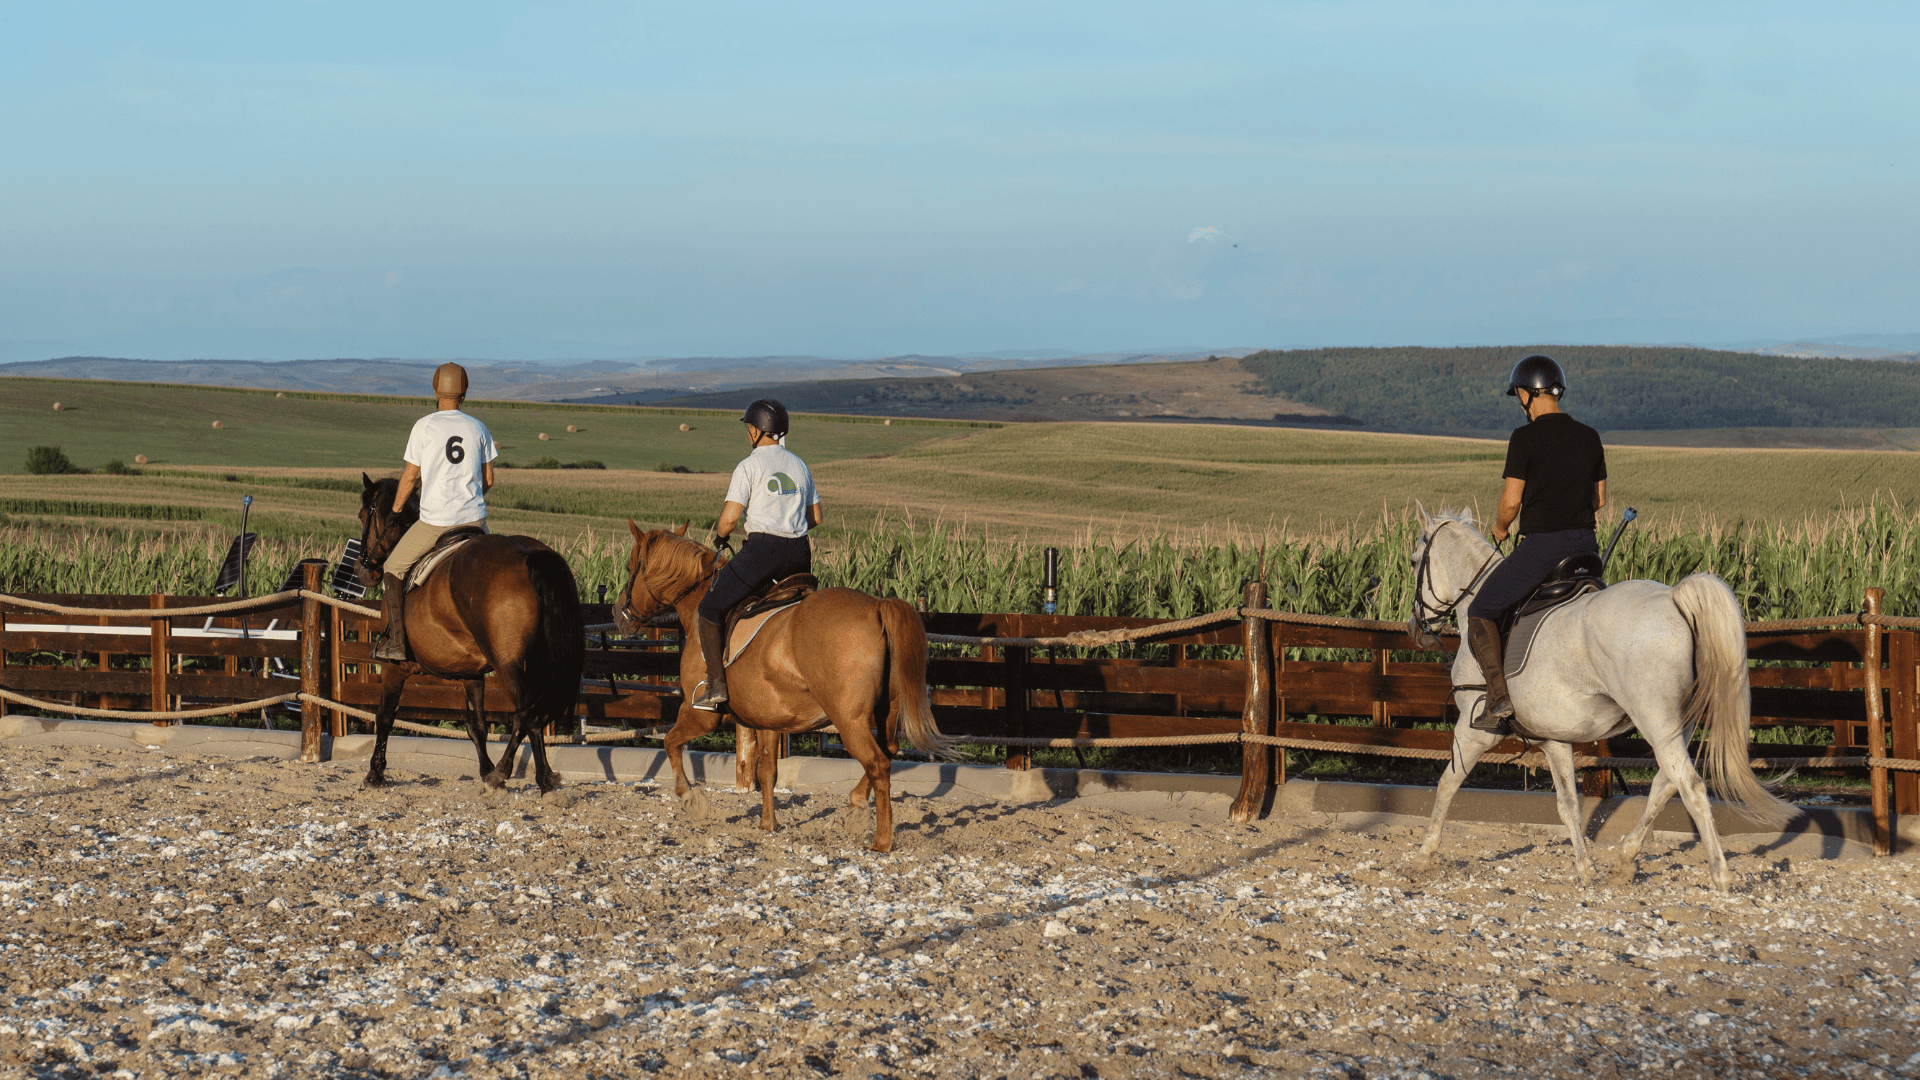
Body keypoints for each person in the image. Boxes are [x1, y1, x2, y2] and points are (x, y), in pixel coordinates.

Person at [1465, 354, 1607, 733]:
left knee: (1481, 608)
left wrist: (1499, 528)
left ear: (1530, 393)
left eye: (1519, 396)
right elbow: (1599, 500)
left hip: (1544, 548)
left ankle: (1498, 700)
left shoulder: (1524, 438)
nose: (1520, 404)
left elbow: (1511, 502)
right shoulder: (1589, 436)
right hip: (1587, 548)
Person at [690, 399, 821, 711]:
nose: (747, 432)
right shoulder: (800, 465)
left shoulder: (749, 466)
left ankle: (716, 685)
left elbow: (729, 519)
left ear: (757, 430)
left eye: (749, 427)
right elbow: (815, 517)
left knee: (709, 608)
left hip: (763, 551)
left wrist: (721, 537)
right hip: (800, 553)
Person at [370, 362, 498, 662]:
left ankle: (397, 643)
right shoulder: (478, 427)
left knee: (393, 567)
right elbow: (489, 480)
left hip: (436, 523)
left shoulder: (424, 426)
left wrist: (396, 511)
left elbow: (409, 478)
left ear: (435, 391)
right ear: (464, 393)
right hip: (476, 521)